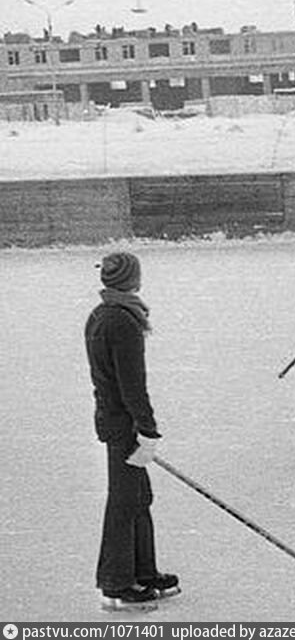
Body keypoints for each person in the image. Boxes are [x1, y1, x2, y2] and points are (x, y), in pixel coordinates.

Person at [85, 252, 178, 612]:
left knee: (138, 496)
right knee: (125, 501)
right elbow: (131, 385)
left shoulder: (104, 314)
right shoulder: (122, 321)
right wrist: (147, 429)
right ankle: (117, 582)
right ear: (130, 279)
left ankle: (143, 571)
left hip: (114, 419)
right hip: (123, 422)